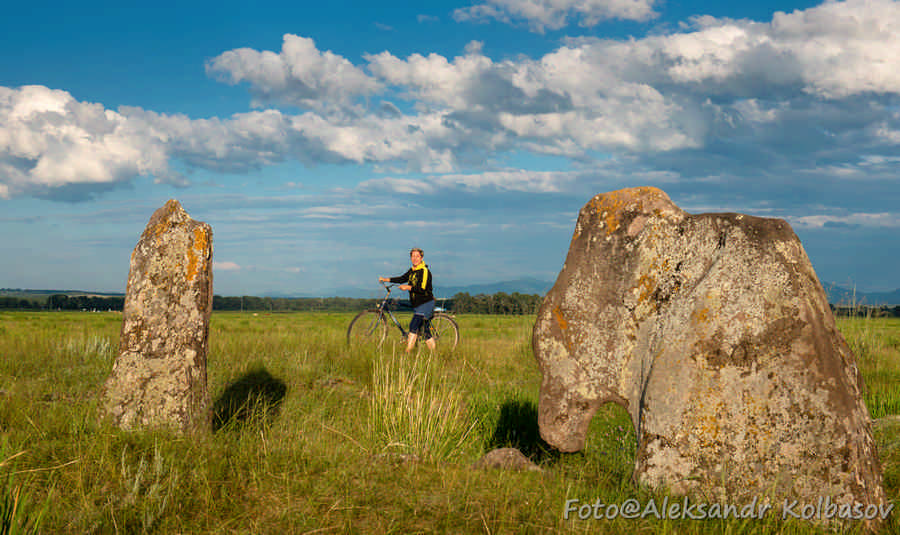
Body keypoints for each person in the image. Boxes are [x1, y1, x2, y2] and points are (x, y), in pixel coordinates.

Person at [379, 247, 436, 353]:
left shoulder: (424, 271)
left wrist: (408, 287)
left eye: (417, 256)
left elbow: (422, 289)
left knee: (413, 325)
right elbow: (402, 278)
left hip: (425, 303)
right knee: (425, 331)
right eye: (413, 256)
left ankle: (407, 353)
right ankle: (435, 355)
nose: (415, 259)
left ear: (421, 258)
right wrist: (386, 279)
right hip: (417, 305)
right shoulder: (412, 271)